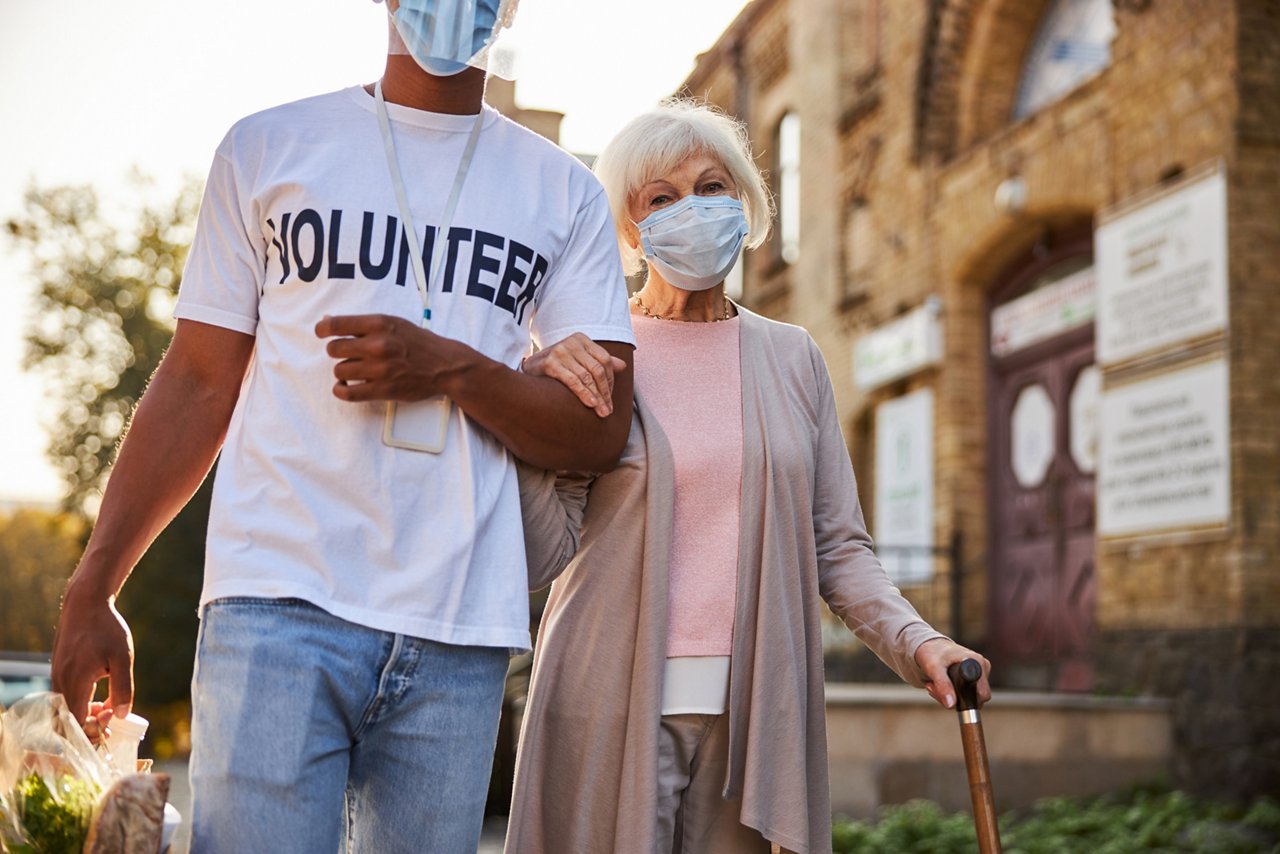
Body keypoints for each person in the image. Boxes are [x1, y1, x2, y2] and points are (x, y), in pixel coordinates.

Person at [49, 1, 635, 851]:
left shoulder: (565, 190)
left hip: (460, 623)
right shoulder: (267, 147)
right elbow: (196, 382)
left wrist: (451, 366)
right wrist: (93, 585)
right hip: (278, 603)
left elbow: (600, 430)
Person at [506, 100, 993, 854]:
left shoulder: (792, 356)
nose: (693, 210)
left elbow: (838, 547)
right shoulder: (598, 352)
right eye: (661, 199)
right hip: (604, 700)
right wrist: (533, 405)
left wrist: (918, 642)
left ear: (746, 205)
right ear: (629, 231)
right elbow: (542, 551)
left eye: (712, 187)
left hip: (754, 717)